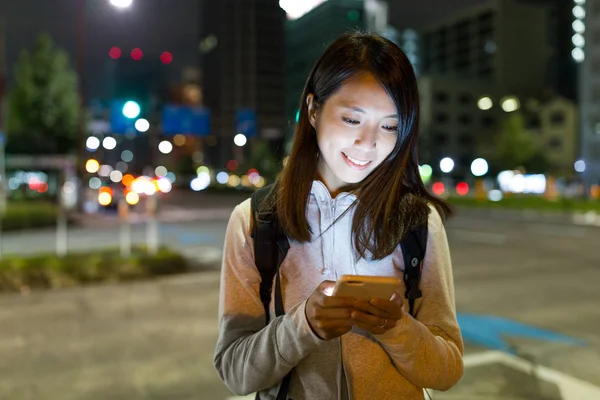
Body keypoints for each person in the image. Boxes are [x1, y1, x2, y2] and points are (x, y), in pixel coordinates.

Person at [214, 32, 463, 400]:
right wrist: (303, 326)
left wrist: (397, 330)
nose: (368, 142)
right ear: (313, 110)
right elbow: (235, 372)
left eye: (390, 125)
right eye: (351, 119)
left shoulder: (417, 220)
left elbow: (446, 369)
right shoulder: (255, 221)